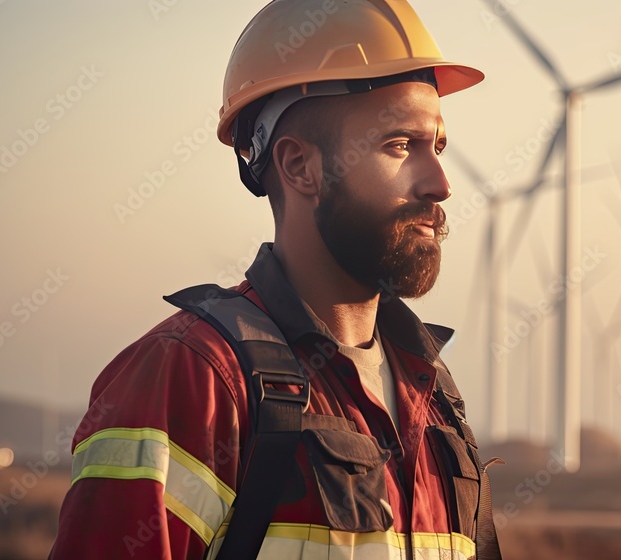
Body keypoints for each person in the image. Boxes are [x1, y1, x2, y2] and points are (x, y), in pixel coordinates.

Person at [49, 0, 500, 558]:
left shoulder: (432, 395)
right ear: (299, 167)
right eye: (401, 145)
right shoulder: (194, 379)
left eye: (438, 147)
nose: (440, 183)